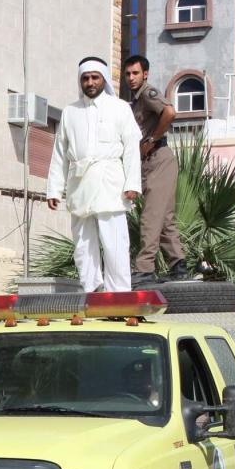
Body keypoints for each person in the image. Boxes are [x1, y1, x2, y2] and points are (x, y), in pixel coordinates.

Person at [47, 56, 143, 293]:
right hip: (79, 184)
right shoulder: (70, 112)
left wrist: (132, 184)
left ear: (103, 79)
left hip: (111, 183)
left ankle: (119, 292)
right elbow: (60, 153)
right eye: (85, 78)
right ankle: (91, 288)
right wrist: (54, 189)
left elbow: (131, 149)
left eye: (94, 78)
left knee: (115, 243)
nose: (90, 83)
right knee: (83, 243)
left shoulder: (120, 108)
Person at [123, 55, 187, 287]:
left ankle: (144, 269)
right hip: (151, 162)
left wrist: (153, 138)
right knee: (165, 218)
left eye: (135, 73)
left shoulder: (148, 94)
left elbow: (169, 112)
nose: (131, 78)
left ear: (145, 74)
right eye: (128, 74)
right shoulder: (135, 101)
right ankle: (178, 265)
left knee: (150, 217)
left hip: (158, 158)